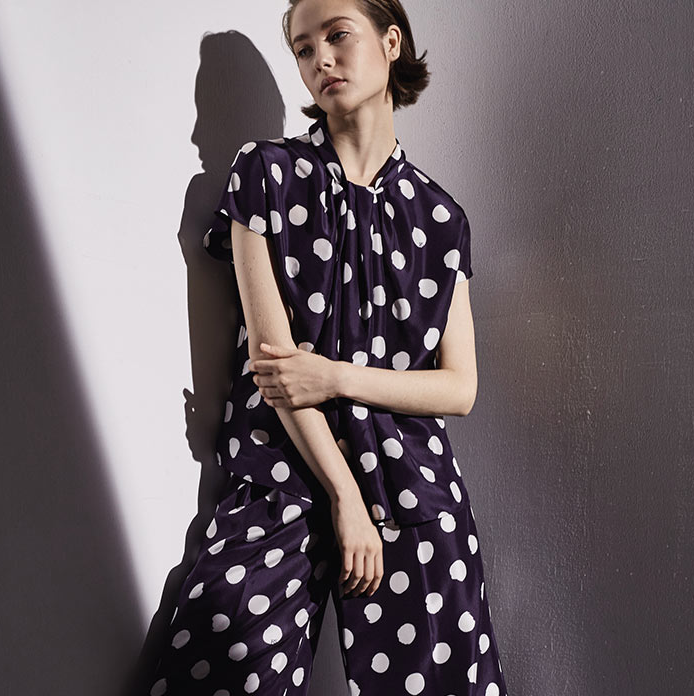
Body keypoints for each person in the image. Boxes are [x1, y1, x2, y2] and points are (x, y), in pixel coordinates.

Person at [148, 0, 509, 694]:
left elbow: (458, 388)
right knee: (219, 655)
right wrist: (345, 497)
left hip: (412, 488)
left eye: (337, 36)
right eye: (304, 49)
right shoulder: (266, 175)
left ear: (391, 42)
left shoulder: (441, 218)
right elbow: (275, 365)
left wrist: (337, 376)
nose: (321, 60)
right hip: (282, 475)